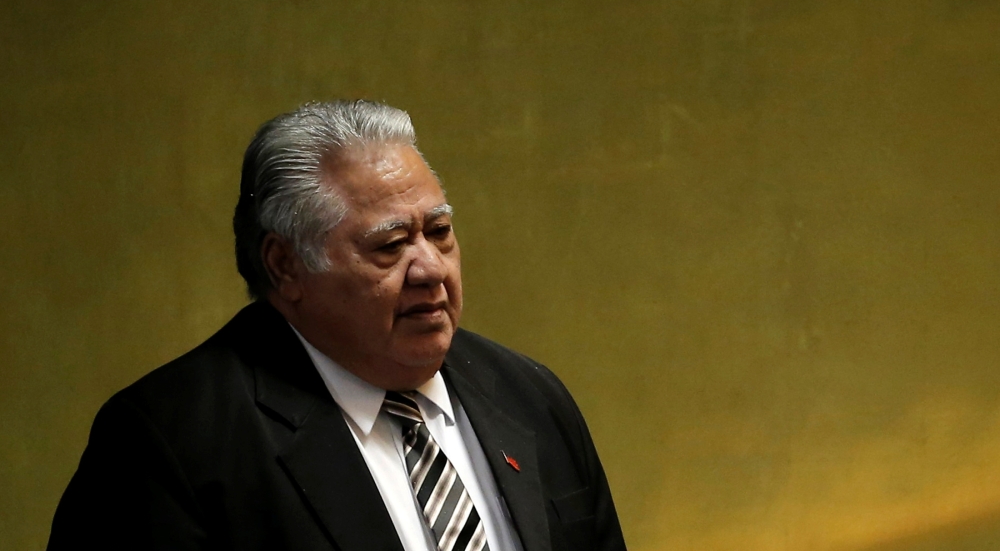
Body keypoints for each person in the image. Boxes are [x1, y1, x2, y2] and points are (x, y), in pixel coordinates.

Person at [48, 100, 627, 551]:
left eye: (439, 232)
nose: (430, 268)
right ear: (285, 265)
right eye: (391, 244)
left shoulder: (530, 397)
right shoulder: (170, 443)